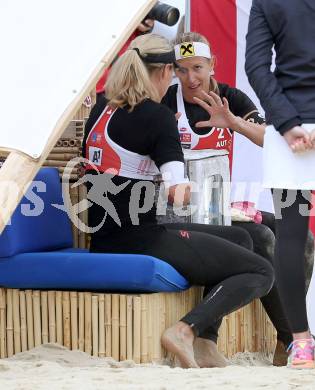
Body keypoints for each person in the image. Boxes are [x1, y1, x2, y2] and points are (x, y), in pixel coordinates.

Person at [82, 33, 274, 368]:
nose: (182, 80)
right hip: (142, 240)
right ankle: (185, 330)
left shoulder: (101, 107)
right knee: (260, 271)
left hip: (102, 237)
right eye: (176, 73)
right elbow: (178, 191)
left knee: (242, 237)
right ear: (161, 74)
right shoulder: (156, 117)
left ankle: (205, 342)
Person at [161, 31, 313, 367]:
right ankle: (290, 340)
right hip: (179, 212)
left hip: (217, 207)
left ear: (213, 65)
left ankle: (287, 340)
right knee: (259, 237)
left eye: (198, 67)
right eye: (182, 70)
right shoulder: (166, 102)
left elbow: (271, 141)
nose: (191, 78)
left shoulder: (231, 97)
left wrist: (234, 123)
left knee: (302, 238)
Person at [245, 0, 315, 369]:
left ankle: (300, 343)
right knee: (290, 235)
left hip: (289, 133)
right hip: (292, 132)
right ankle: (301, 341)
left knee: (290, 234)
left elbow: (256, 67)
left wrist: (287, 123)